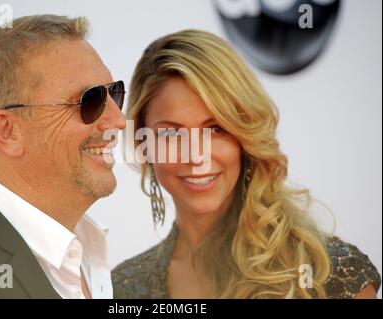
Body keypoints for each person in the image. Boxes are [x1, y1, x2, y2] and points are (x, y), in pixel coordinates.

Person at [112, 29, 381, 299]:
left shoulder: (330, 273)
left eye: (216, 128)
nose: (196, 156)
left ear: (245, 137)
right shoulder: (122, 288)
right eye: (171, 134)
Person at [0, 15, 126, 298]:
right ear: (8, 131)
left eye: (115, 94)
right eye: (91, 100)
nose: (118, 120)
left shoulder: (86, 255)